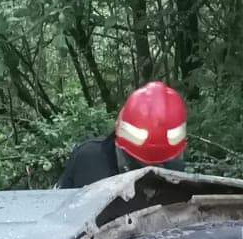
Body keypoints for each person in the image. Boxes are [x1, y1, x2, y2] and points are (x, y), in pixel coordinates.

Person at [57, 81, 188, 188]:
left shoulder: (175, 175)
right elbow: (57, 207)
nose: (149, 167)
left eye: (159, 164)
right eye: (138, 163)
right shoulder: (88, 160)